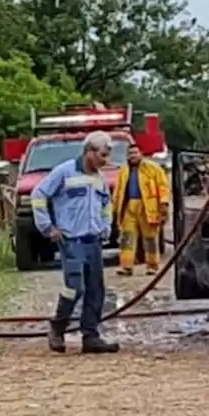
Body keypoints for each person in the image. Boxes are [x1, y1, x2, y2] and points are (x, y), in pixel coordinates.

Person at [31, 131, 120, 354]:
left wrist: (106, 225)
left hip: (93, 242)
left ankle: (90, 336)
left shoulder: (99, 178)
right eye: (102, 155)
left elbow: (105, 204)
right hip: (71, 241)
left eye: (108, 156)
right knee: (74, 288)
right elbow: (38, 195)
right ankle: (58, 328)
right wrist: (48, 227)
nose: (105, 160)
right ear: (89, 151)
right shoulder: (64, 171)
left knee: (95, 290)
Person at [113, 143, 171, 276]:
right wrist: (115, 209)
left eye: (135, 153)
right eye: (130, 153)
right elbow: (118, 191)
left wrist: (163, 205)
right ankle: (126, 266)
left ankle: (152, 266)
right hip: (128, 207)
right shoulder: (123, 170)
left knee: (150, 238)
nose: (133, 156)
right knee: (127, 237)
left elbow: (163, 187)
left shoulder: (153, 168)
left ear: (141, 154)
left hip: (147, 207)